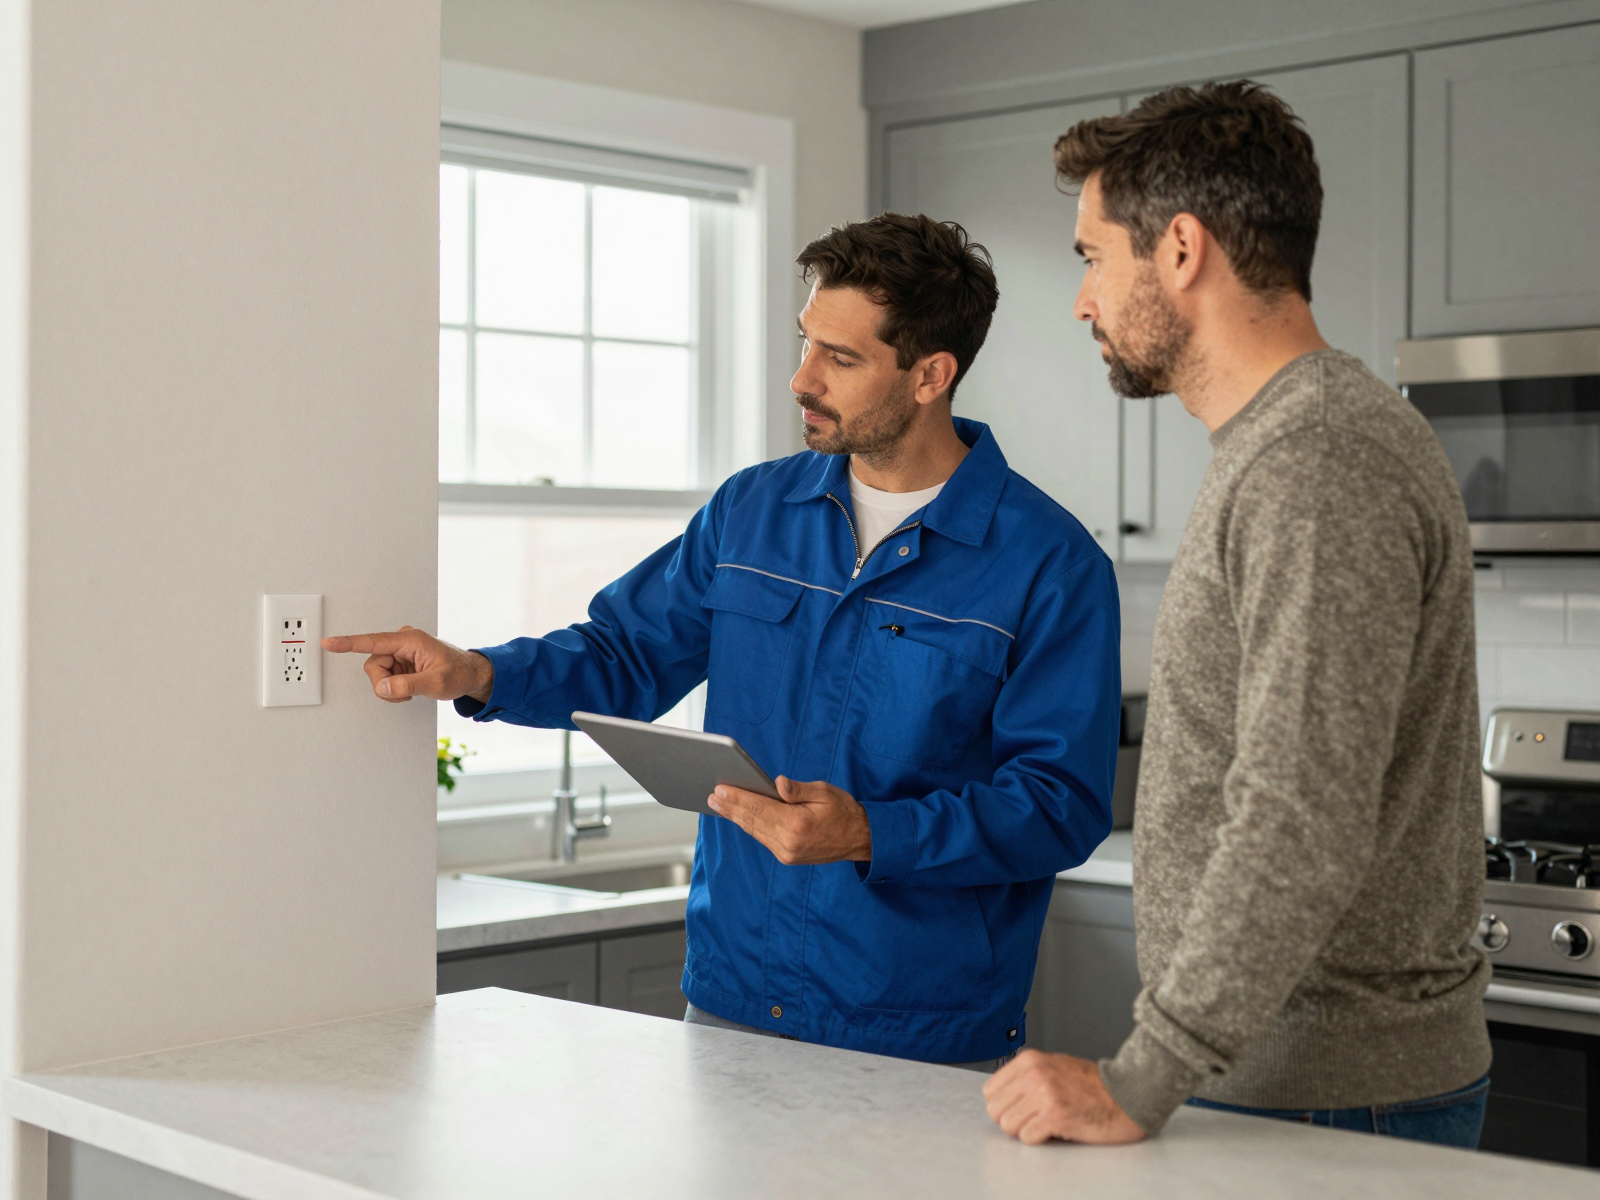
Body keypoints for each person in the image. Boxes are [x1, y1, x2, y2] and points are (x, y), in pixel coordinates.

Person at [326, 213, 1122, 1069]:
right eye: (806, 342)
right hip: (734, 999)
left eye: (840, 359)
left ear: (932, 374)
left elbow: (1057, 805)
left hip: (922, 1029)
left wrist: (869, 833)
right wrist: (476, 671)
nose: (801, 378)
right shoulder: (751, 513)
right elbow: (624, 654)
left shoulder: (1050, 564)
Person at [983, 82, 1489, 1146]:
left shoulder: (1316, 460)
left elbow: (1299, 813)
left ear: (1179, 248)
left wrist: (1141, 1074)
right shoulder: (1282, 445)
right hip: (1295, 1077)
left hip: (1331, 1093)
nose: (1081, 300)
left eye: (1089, 257)